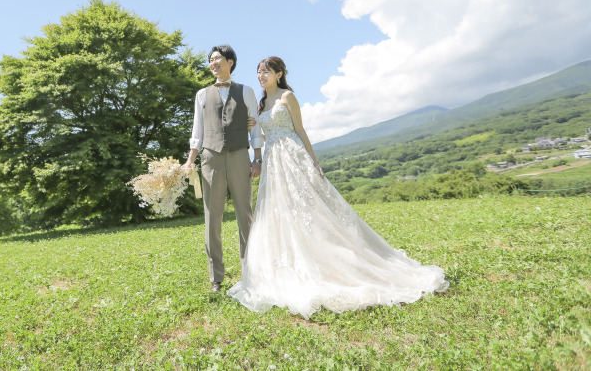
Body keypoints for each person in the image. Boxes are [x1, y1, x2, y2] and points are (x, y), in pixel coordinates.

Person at [227, 56, 449, 317]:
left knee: (307, 208)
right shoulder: (263, 103)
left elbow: (299, 130)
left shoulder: (288, 97)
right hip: (274, 161)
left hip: (292, 156)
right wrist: (254, 127)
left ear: (279, 74)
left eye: (266, 72)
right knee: (279, 210)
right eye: (259, 72)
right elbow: (268, 134)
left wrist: (314, 161)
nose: (261, 76)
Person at [181, 45, 264, 293]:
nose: (213, 63)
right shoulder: (202, 94)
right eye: (210, 60)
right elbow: (198, 130)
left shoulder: (247, 91)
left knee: (244, 215)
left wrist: (257, 158)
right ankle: (216, 277)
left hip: (240, 155)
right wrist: (190, 159)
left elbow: (255, 126)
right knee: (212, 218)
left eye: (217, 58)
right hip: (211, 158)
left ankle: (250, 273)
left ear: (230, 62)